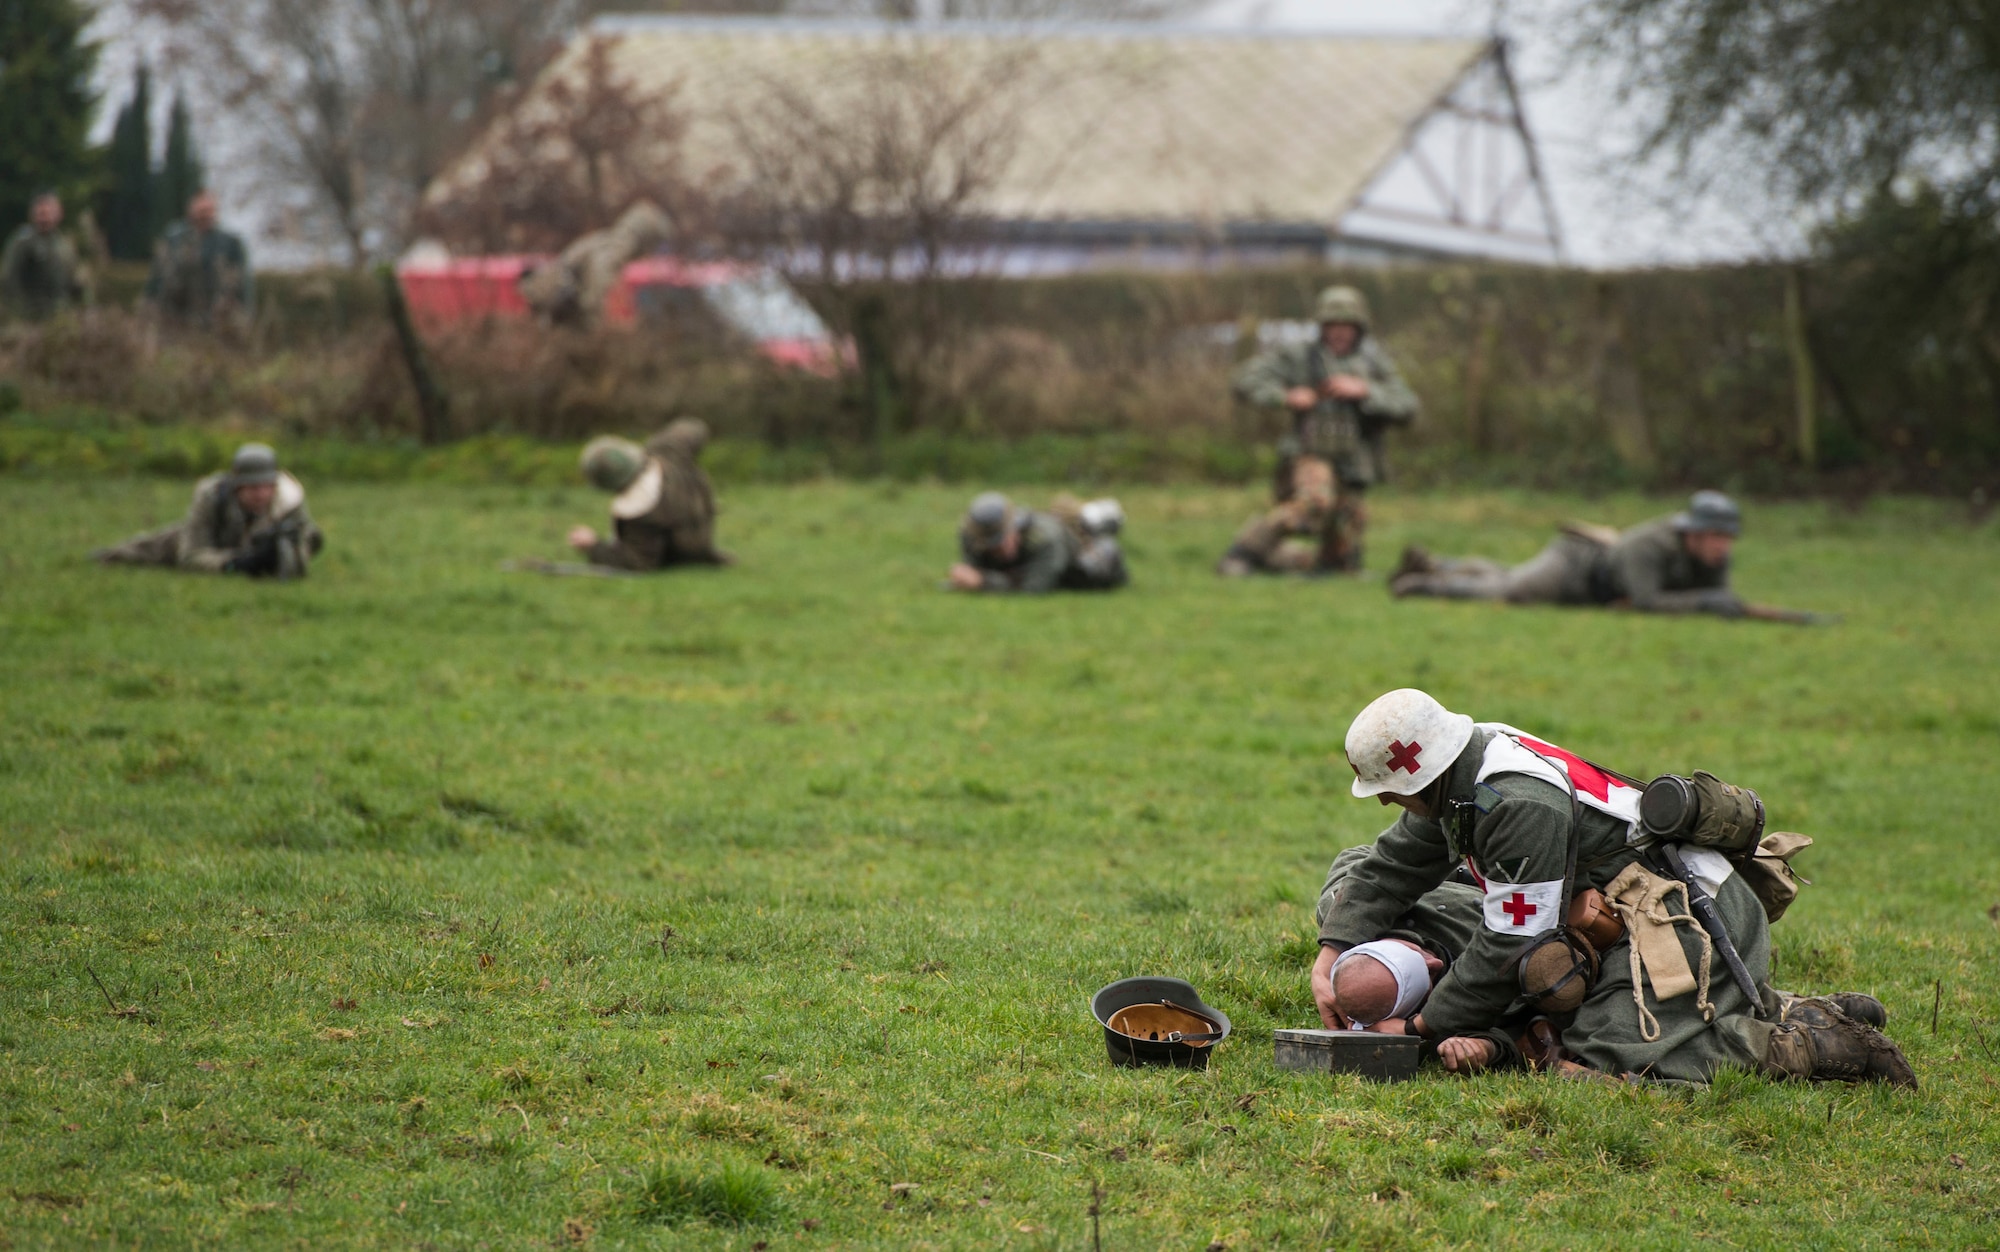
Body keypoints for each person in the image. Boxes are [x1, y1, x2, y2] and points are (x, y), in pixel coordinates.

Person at [1313, 688, 1916, 1087]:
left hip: (1684, 916)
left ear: (1425, 772)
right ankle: (1783, 1004)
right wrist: (1333, 950)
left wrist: (1420, 1029)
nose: (1387, 801)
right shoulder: (1463, 772)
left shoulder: (1516, 804)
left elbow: (1511, 942)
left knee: (1601, 1045)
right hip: (1616, 910)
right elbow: (1394, 864)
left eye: (1390, 789)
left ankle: (1802, 1043)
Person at [1225, 285, 1419, 573]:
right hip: (1308, 452)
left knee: (1340, 563)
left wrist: (1365, 391)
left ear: (1359, 328)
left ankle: (1276, 559)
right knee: (1315, 503)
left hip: (1354, 461)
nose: (1340, 332)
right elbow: (1244, 381)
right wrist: (1286, 396)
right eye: (1332, 325)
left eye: (1347, 326)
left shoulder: (1373, 362)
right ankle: (1242, 552)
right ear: (1322, 327)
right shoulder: (1299, 356)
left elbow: (1407, 406)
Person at [1388, 490, 1810, 620]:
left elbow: (1721, 600)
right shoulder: (1650, 545)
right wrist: (1703, 602)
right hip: (1575, 567)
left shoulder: (1715, 557)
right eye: (1715, 536)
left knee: (1508, 573)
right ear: (1693, 533)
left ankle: (1439, 564)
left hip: (1594, 582)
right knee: (1512, 589)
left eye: (1727, 537)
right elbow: (1647, 602)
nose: (1723, 546)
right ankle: (1421, 584)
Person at [1314, 844, 1526, 1073]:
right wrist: (1484, 1048)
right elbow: (1517, 1028)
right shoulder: (1488, 971)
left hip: (1490, 874)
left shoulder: (1346, 912)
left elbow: (1356, 855)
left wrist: (1465, 873)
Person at [95, 443, 323, 579]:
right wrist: (235, 564)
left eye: (267, 487)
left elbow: (303, 552)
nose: (261, 494)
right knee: (155, 547)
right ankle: (108, 556)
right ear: (237, 486)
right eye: (253, 488)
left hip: (247, 546)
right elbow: (191, 555)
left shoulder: (290, 501)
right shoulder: (212, 497)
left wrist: (282, 556)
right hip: (218, 542)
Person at [569, 419, 726, 571]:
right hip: (702, 535)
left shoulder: (638, 512)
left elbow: (638, 562)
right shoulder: (667, 450)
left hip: (685, 554)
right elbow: (694, 427)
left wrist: (593, 546)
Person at [948, 491, 1127, 594]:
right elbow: (972, 568)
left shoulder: (1045, 539)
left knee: (1093, 568)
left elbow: (1033, 588)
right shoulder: (970, 535)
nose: (999, 549)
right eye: (990, 545)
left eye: (1003, 540)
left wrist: (983, 582)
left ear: (1014, 528)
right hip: (1048, 538)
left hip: (1081, 555)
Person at [146, 190, 253, 330]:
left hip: (218, 321)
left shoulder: (230, 243)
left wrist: (244, 315)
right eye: (201, 210)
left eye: (209, 210)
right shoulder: (174, 239)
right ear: (191, 210)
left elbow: (243, 283)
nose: (205, 215)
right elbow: (157, 279)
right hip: (177, 319)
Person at [1, 191, 87, 322]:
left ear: (58, 214)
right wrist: (17, 311)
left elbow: (75, 279)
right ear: (33, 215)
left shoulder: (64, 244)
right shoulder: (23, 241)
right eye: (41, 214)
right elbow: (9, 277)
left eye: (49, 213)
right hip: (31, 315)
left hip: (61, 314)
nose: (45, 219)